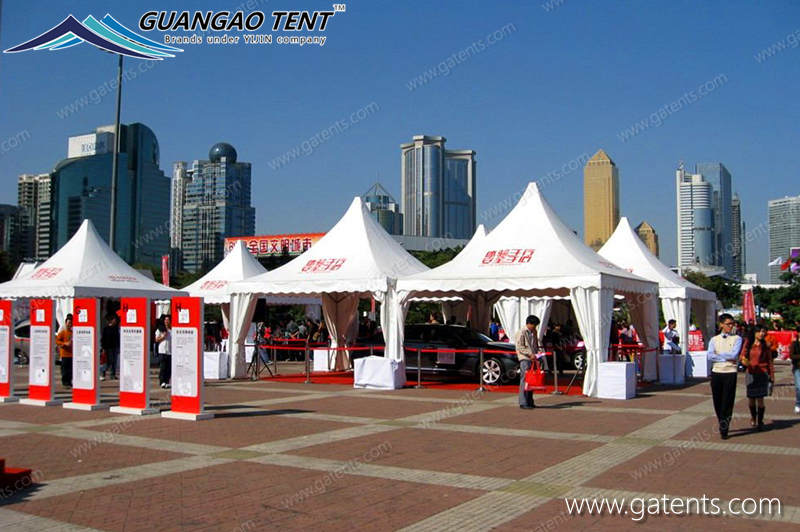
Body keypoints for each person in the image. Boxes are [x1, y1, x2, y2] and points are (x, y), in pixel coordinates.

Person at [706, 313, 742, 439]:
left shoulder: (737, 338)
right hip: (716, 372)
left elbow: (734, 355)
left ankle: (724, 427)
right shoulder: (714, 340)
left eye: (732, 324)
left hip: (730, 372)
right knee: (717, 400)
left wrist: (719, 355)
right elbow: (710, 356)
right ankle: (721, 420)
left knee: (728, 400)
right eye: (728, 324)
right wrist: (725, 357)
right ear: (721, 324)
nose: (731, 326)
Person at [740, 325, 774, 430]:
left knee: (760, 399)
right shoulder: (748, 343)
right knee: (751, 398)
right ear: (754, 333)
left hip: (762, 373)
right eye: (760, 332)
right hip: (750, 373)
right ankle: (753, 418)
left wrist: (772, 376)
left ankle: (760, 421)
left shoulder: (765, 345)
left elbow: (770, 361)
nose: (762, 334)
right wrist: (744, 360)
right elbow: (742, 355)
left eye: (763, 332)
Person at [516, 315, 541, 409]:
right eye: (534, 325)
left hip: (533, 358)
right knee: (524, 380)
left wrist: (537, 353)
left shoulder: (533, 332)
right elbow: (520, 347)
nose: (535, 327)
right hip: (525, 358)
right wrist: (530, 354)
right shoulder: (521, 332)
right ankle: (523, 402)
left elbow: (535, 344)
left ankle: (530, 401)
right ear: (529, 324)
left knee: (531, 380)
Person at [55, 314, 73, 388]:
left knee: (70, 370)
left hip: (72, 354)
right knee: (65, 369)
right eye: (69, 323)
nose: (70, 324)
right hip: (65, 354)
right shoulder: (63, 332)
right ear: (66, 323)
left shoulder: (73, 332)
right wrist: (64, 343)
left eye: (71, 323)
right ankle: (65, 382)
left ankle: (69, 382)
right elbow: (57, 341)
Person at [101, 314, 120, 380]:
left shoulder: (116, 328)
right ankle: (103, 373)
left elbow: (118, 338)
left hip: (115, 347)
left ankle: (113, 374)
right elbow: (103, 339)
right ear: (111, 320)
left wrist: (118, 346)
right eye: (114, 319)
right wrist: (103, 348)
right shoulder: (106, 329)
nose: (115, 321)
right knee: (108, 361)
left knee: (114, 361)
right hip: (108, 348)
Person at [155, 314, 172, 389]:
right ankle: (162, 382)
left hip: (170, 352)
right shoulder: (160, 329)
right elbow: (156, 339)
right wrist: (163, 336)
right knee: (163, 367)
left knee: (169, 368)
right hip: (162, 351)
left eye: (168, 320)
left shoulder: (171, 330)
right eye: (166, 320)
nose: (167, 321)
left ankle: (167, 381)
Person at [790, 327, 800, 415]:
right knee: (799, 387)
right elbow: (791, 355)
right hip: (797, 368)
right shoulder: (794, 344)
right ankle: (798, 404)